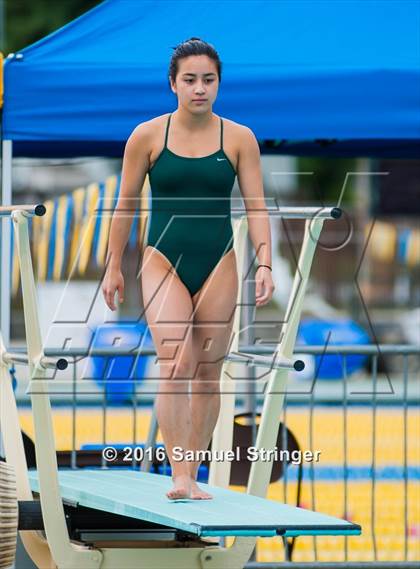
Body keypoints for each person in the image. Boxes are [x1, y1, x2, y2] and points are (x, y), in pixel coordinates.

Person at [102, 38, 275, 500]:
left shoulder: (239, 138)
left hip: (219, 260)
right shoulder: (146, 136)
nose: (200, 88)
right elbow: (125, 205)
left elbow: (256, 206)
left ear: (218, 83)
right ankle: (179, 476)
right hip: (162, 259)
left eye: (208, 80)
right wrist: (113, 266)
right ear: (173, 84)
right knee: (176, 364)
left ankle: (193, 472)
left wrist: (265, 261)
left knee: (208, 373)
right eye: (190, 80)